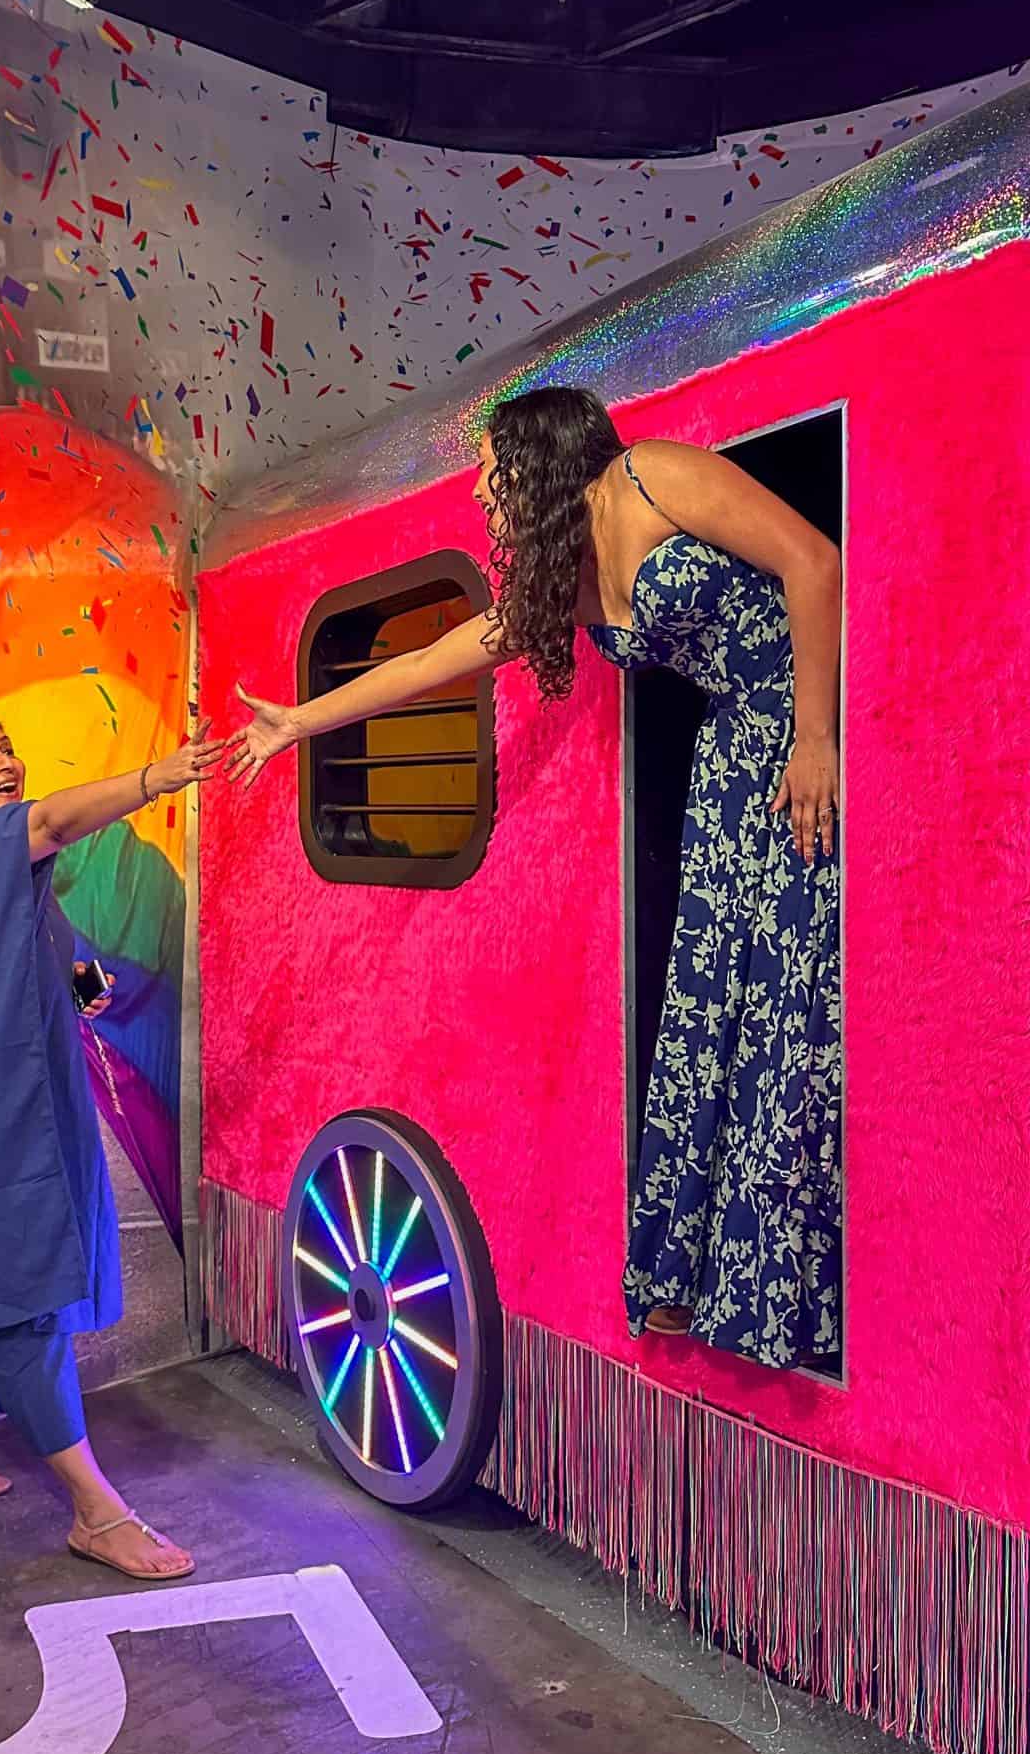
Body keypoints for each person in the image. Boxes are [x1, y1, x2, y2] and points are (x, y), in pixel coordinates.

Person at [229, 385, 842, 1373]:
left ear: (537, 461)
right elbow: (433, 658)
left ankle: (791, 1290)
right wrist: (301, 721)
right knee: (709, 1019)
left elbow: (817, 564)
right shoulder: (565, 577)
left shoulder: (651, 476)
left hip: (807, 728)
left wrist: (816, 739)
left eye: (488, 466)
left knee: (790, 1004)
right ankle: (719, 1289)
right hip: (733, 760)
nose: (478, 487)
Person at [0, 707, 223, 1578]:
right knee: (14, 1302)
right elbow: (53, 819)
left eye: (9, 748)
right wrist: (155, 778)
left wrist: (71, 982)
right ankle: (97, 1513)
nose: (6, 762)